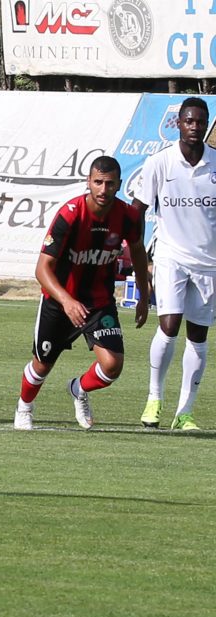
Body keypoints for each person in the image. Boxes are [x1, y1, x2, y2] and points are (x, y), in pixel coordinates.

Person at [13, 156, 149, 430]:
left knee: (112, 366)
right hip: (60, 300)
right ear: (88, 182)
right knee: (42, 365)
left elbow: (137, 252)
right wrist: (67, 300)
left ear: (119, 185)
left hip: (99, 303)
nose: (103, 189)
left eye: (109, 184)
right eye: (97, 182)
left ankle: (78, 389)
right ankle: (24, 407)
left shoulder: (129, 216)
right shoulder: (70, 214)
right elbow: (42, 269)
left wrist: (144, 296)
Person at [135, 97, 216, 431]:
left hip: (209, 265)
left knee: (198, 336)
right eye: (188, 121)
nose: (194, 127)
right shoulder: (159, 163)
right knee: (169, 325)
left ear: (206, 124)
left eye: (200, 121)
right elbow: (138, 209)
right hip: (170, 256)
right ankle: (154, 399)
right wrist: (136, 253)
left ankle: (185, 412)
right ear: (178, 124)